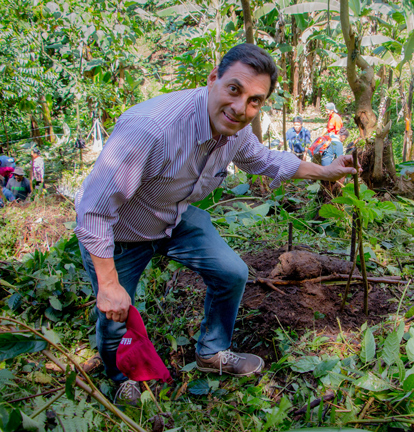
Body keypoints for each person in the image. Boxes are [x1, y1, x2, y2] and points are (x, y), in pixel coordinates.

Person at [74, 43, 360, 405]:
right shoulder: (151, 129)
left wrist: (326, 171)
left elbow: (264, 159)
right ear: (213, 79)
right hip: (120, 230)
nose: (240, 108)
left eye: (254, 101)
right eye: (234, 90)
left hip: (173, 216)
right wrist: (108, 284)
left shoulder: (236, 129)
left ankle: (211, 352)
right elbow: (93, 211)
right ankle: (121, 375)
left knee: (231, 272)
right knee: (116, 313)